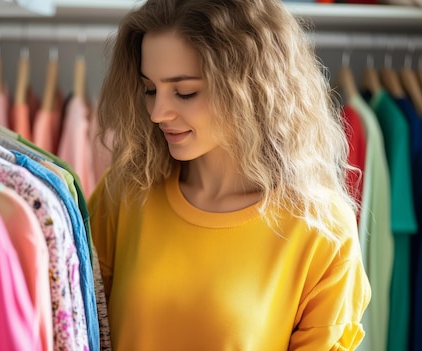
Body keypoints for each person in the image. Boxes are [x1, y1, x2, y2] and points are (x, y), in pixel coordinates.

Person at [88, 0, 372, 350]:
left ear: (251, 89)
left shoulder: (321, 229)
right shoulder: (126, 193)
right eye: (150, 89)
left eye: (185, 92)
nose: (158, 112)